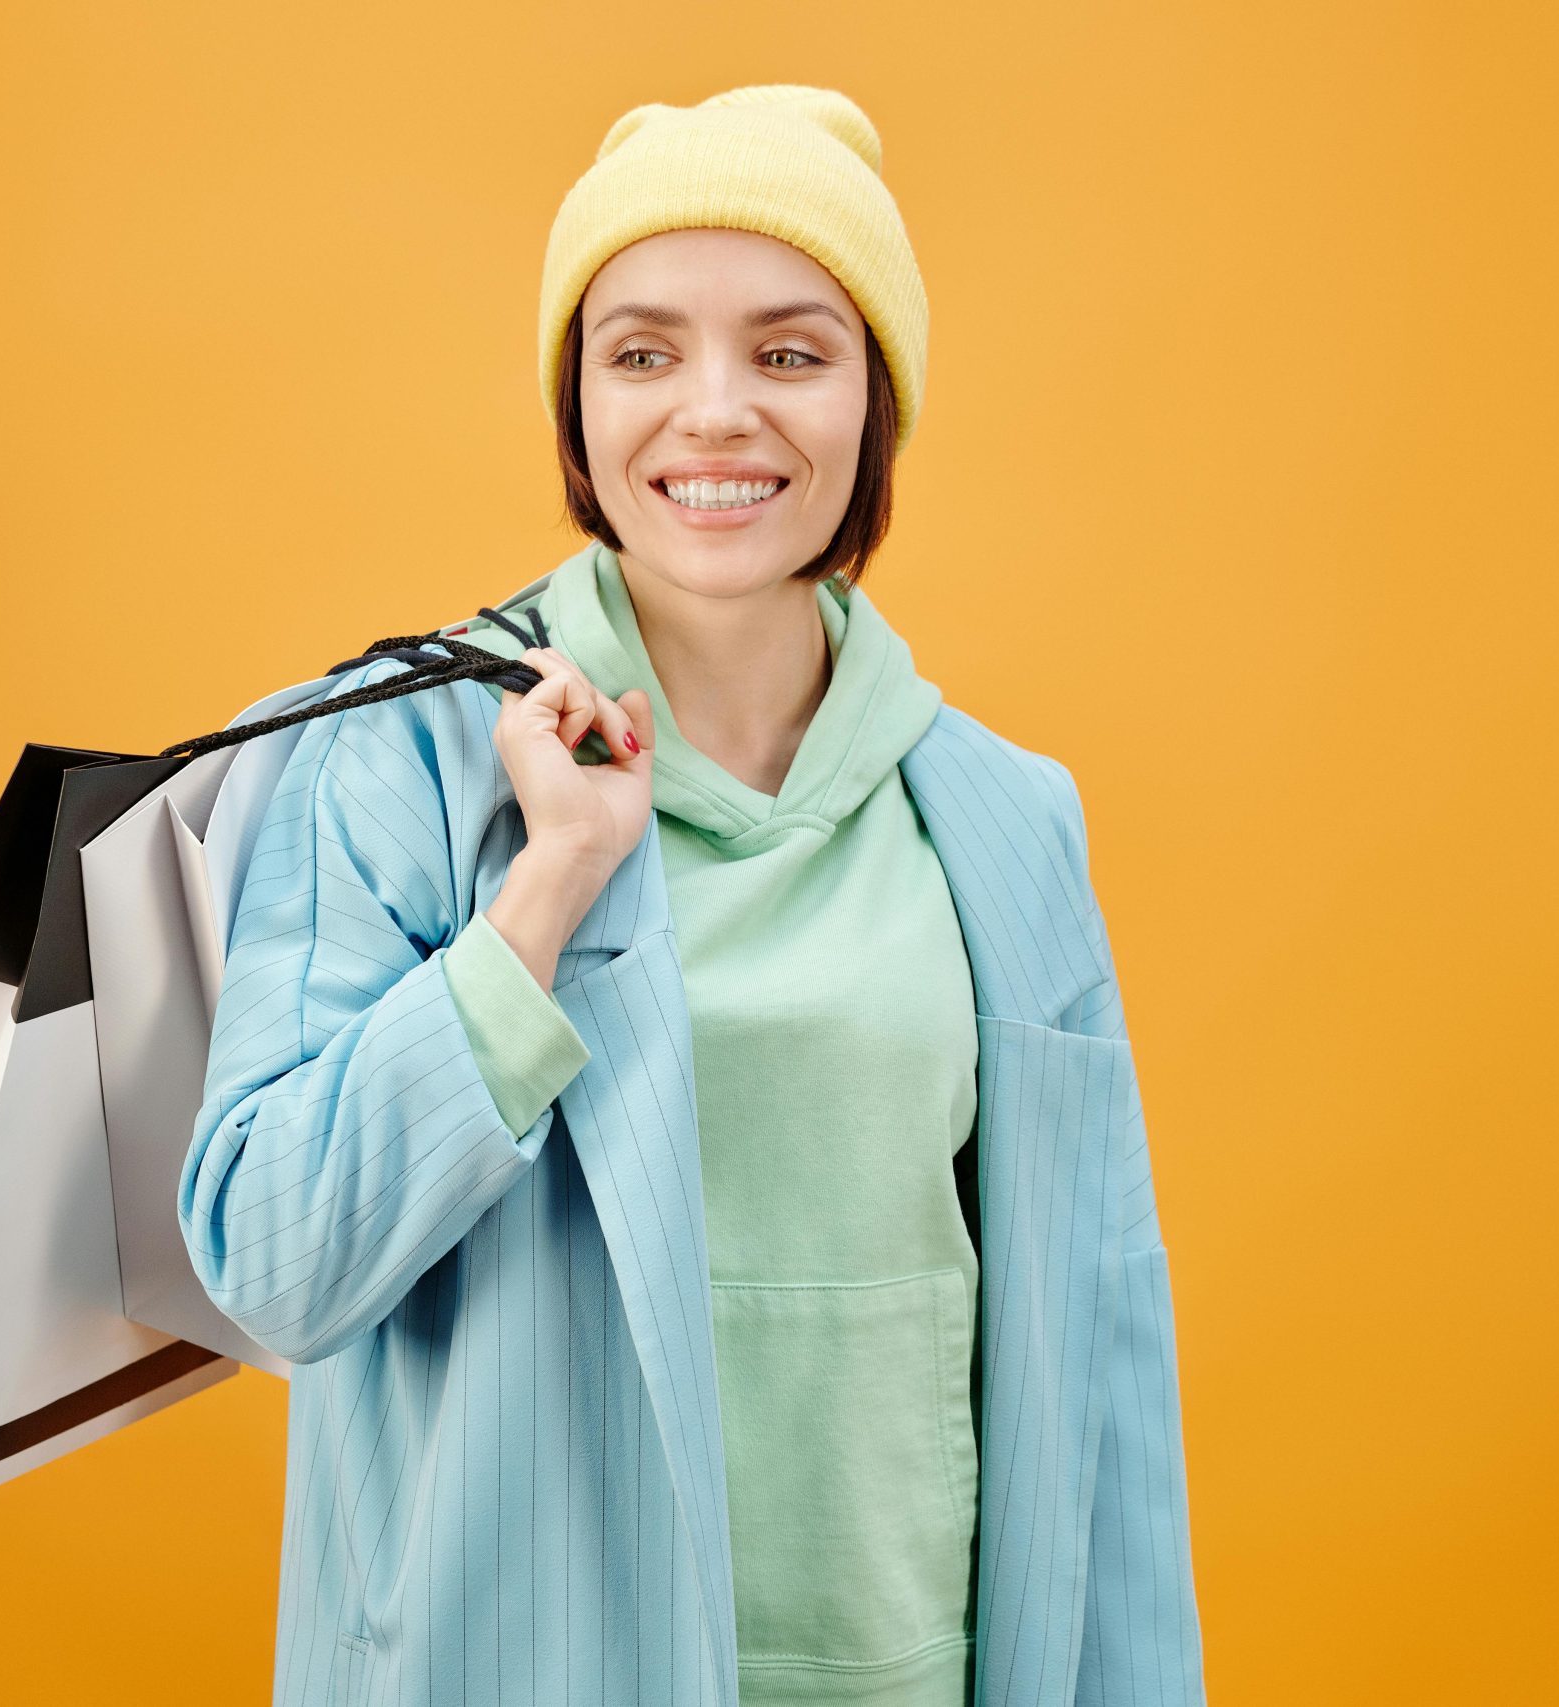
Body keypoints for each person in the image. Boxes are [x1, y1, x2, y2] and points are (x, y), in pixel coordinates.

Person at [180, 85, 1205, 1707]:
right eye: (642, 353)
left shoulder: (1004, 819)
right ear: (577, 408)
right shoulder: (400, 764)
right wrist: (542, 903)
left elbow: (1101, 1370)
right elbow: (273, 1259)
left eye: (791, 352)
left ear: (877, 403)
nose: (714, 413)